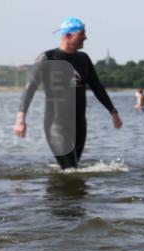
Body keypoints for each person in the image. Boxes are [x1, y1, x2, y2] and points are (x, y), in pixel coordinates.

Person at [14, 17, 123, 169]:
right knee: (71, 169)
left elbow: (97, 86)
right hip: (56, 125)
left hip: (80, 125)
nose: (85, 37)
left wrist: (113, 111)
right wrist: (21, 119)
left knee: (73, 171)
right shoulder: (47, 58)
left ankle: (56, 183)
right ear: (67, 35)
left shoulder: (83, 59)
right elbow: (29, 88)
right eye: (81, 34)